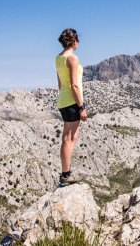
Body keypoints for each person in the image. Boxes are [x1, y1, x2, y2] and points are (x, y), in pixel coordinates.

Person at [56, 28, 87, 184]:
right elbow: (74, 85)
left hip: (62, 99)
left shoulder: (58, 58)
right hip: (71, 101)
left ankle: (66, 171)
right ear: (74, 41)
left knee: (71, 135)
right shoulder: (72, 58)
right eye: (77, 41)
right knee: (68, 138)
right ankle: (66, 174)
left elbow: (60, 83)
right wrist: (81, 107)